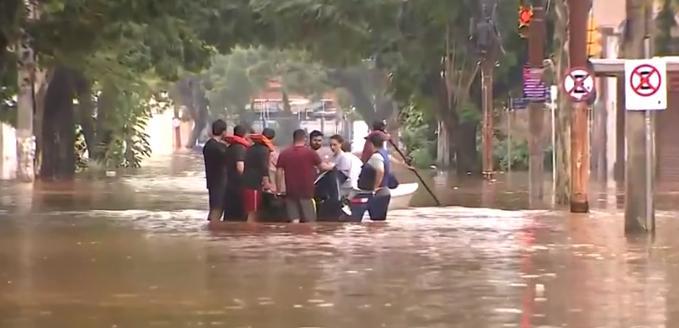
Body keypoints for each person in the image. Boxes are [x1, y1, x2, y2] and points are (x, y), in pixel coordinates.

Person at [276, 129, 334, 222]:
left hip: (291, 191)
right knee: (309, 221)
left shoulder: (284, 153)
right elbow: (323, 167)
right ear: (305, 139)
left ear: (294, 138)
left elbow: (278, 171)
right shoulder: (310, 153)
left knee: (294, 221)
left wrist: (278, 190)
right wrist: (332, 166)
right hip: (306, 191)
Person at [242, 128, 276, 223]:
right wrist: (267, 183)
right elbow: (264, 167)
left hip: (246, 183)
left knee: (250, 212)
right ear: (270, 139)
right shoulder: (264, 150)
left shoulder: (251, 148)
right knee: (252, 214)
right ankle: (251, 235)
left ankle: (250, 234)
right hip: (253, 186)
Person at [357, 132, 392, 221]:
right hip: (384, 191)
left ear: (371, 144)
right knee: (379, 223)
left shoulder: (376, 156)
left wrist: (375, 188)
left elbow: (380, 171)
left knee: (375, 224)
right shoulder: (384, 153)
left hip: (378, 193)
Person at [202, 119, 229, 221]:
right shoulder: (218, 147)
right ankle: (213, 230)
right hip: (219, 181)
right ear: (223, 132)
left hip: (212, 180)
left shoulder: (208, 145)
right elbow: (227, 159)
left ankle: (212, 231)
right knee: (217, 209)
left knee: (215, 208)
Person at [222, 125, 250, 221]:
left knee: (229, 215)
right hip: (238, 186)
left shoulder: (230, 147)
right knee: (239, 215)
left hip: (229, 183)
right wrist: (247, 179)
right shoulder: (240, 148)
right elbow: (240, 166)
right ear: (245, 135)